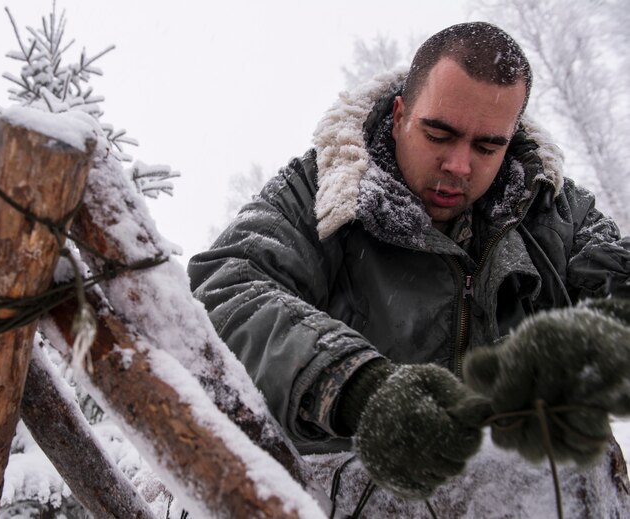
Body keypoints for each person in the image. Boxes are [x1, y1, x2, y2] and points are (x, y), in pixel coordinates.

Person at [188, 22, 630, 499]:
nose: (459, 166)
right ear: (400, 115)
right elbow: (225, 288)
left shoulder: (559, 211)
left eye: (487, 147)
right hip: (364, 499)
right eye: (439, 134)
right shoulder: (318, 193)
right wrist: (356, 386)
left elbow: (615, 286)